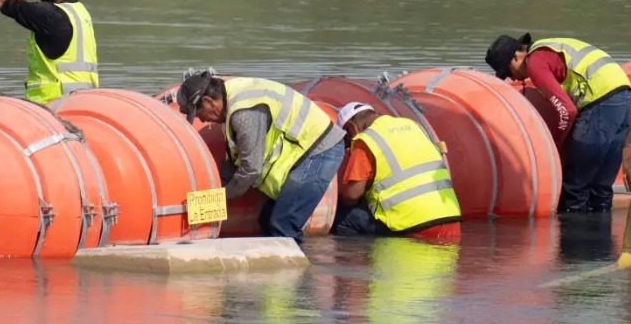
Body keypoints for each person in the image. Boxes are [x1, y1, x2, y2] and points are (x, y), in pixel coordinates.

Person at [175, 69, 345, 243]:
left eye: (199, 113)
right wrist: (209, 194)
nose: (202, 121)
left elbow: (251, 168)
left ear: (208, 101)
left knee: (283, 224)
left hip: (319, 150)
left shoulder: (244, 113)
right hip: (304, 150)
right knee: (266, 219)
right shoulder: (231, 100)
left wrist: (222, 196)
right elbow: (235, 160)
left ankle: (297, 270)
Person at [485, 32, 631, 213]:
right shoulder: (550, 47)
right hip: (624, 98)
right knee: (600, 188)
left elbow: (566, 111)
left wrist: (552, 147)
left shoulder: (535, 62)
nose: (514, 79)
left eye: (508, 71)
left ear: (516, 56)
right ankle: (601, 239)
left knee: (574, 187)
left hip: (599, 102)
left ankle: (574, 238)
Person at [329, 101, 462, 242]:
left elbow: (352, 195)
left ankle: (362, 261)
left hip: (411, 228)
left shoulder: (365, 140)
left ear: (351, 128)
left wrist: (337, 200)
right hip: (452, 222)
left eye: (347, 141)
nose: (349, 147)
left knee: (341, 217)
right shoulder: (415, 126)